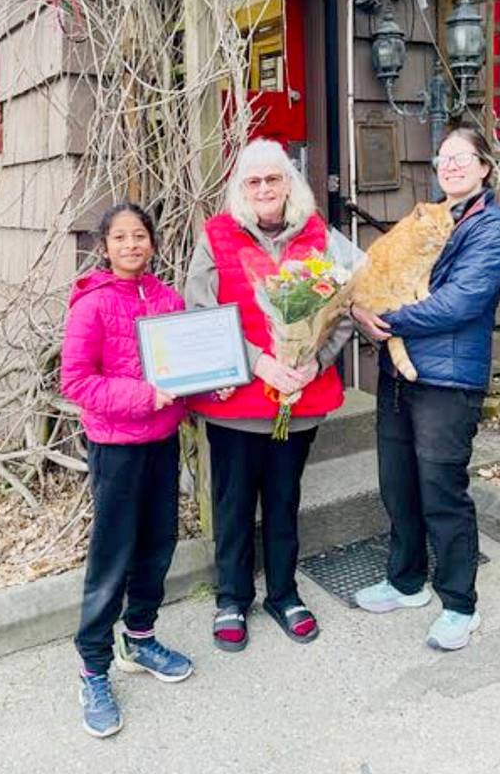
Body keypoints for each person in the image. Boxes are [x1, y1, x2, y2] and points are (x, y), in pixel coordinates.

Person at [351, 126, 500, 651]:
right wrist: (360, 306)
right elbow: (386, 274)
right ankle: (406, 582)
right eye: (443, 158)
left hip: (448, 380)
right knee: (397, 482)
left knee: (442, 492)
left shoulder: (492, 229)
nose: (449, 166)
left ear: (484, 166)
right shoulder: (433, 219)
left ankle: (458, 604)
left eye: (461, 158)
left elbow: (460, 303)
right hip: (400, 373)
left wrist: (385, 315)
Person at [186, 138, 352, 652]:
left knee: (284, 501)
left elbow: (343, 311)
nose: (263, 188)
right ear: (241, 187)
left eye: (273, 179)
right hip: (236, 405)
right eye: (253, 181)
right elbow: (200, 312)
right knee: (234, 505)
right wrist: (261, 362)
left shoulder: (322, 237)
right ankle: (231, 597)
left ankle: (284, 592)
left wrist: (311, 363)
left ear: (289, 183)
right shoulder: (216, 236)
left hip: (298, 402)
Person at [61, 202, 193, 739]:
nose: (132, 245)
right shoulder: (91, 306)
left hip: (161, 442)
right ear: (105, 246)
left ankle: (139, 638)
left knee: (158, 544)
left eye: (140, 236)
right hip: (115, 445)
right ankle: (93, 666)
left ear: (153, 243)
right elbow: (76, 383)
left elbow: (185, 367)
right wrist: (145, 395)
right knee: (112, 554)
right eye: (121, 238)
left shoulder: (169, 299)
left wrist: (215, 383)